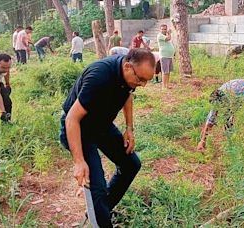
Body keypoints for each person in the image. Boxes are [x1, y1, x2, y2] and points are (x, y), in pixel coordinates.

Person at [59, 49, 155, 227]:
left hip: (101, 126)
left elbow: (128, 94)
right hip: (79, 129)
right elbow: (72, 118)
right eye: (141, 79)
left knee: (131, 164)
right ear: (127, 66)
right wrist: (79, 161)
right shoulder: (99, 77)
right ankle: (101, 218)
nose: (143, 85)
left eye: (147, 81)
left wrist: (129, 128)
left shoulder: (128, 76)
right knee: (97, 187)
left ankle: (100, 211)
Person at [197, 79, 244, 150]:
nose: (220, 108)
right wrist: (202, 141)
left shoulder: (239, 92)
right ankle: (232, 144)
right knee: (227, 119)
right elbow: (210, 120)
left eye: (221, 105)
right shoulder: (218, 99)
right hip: (233, 94)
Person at [157, 24, 175, 89]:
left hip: (169, 56)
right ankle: (163, 86)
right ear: (160, 29)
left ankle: (167, 85)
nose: (164, 30)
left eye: (165, 29)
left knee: (168, 71)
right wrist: (169, 33)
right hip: (164, 56)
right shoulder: (160, 35)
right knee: (165, 72)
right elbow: (168, 38)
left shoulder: (165, 35)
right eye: (162, 29)